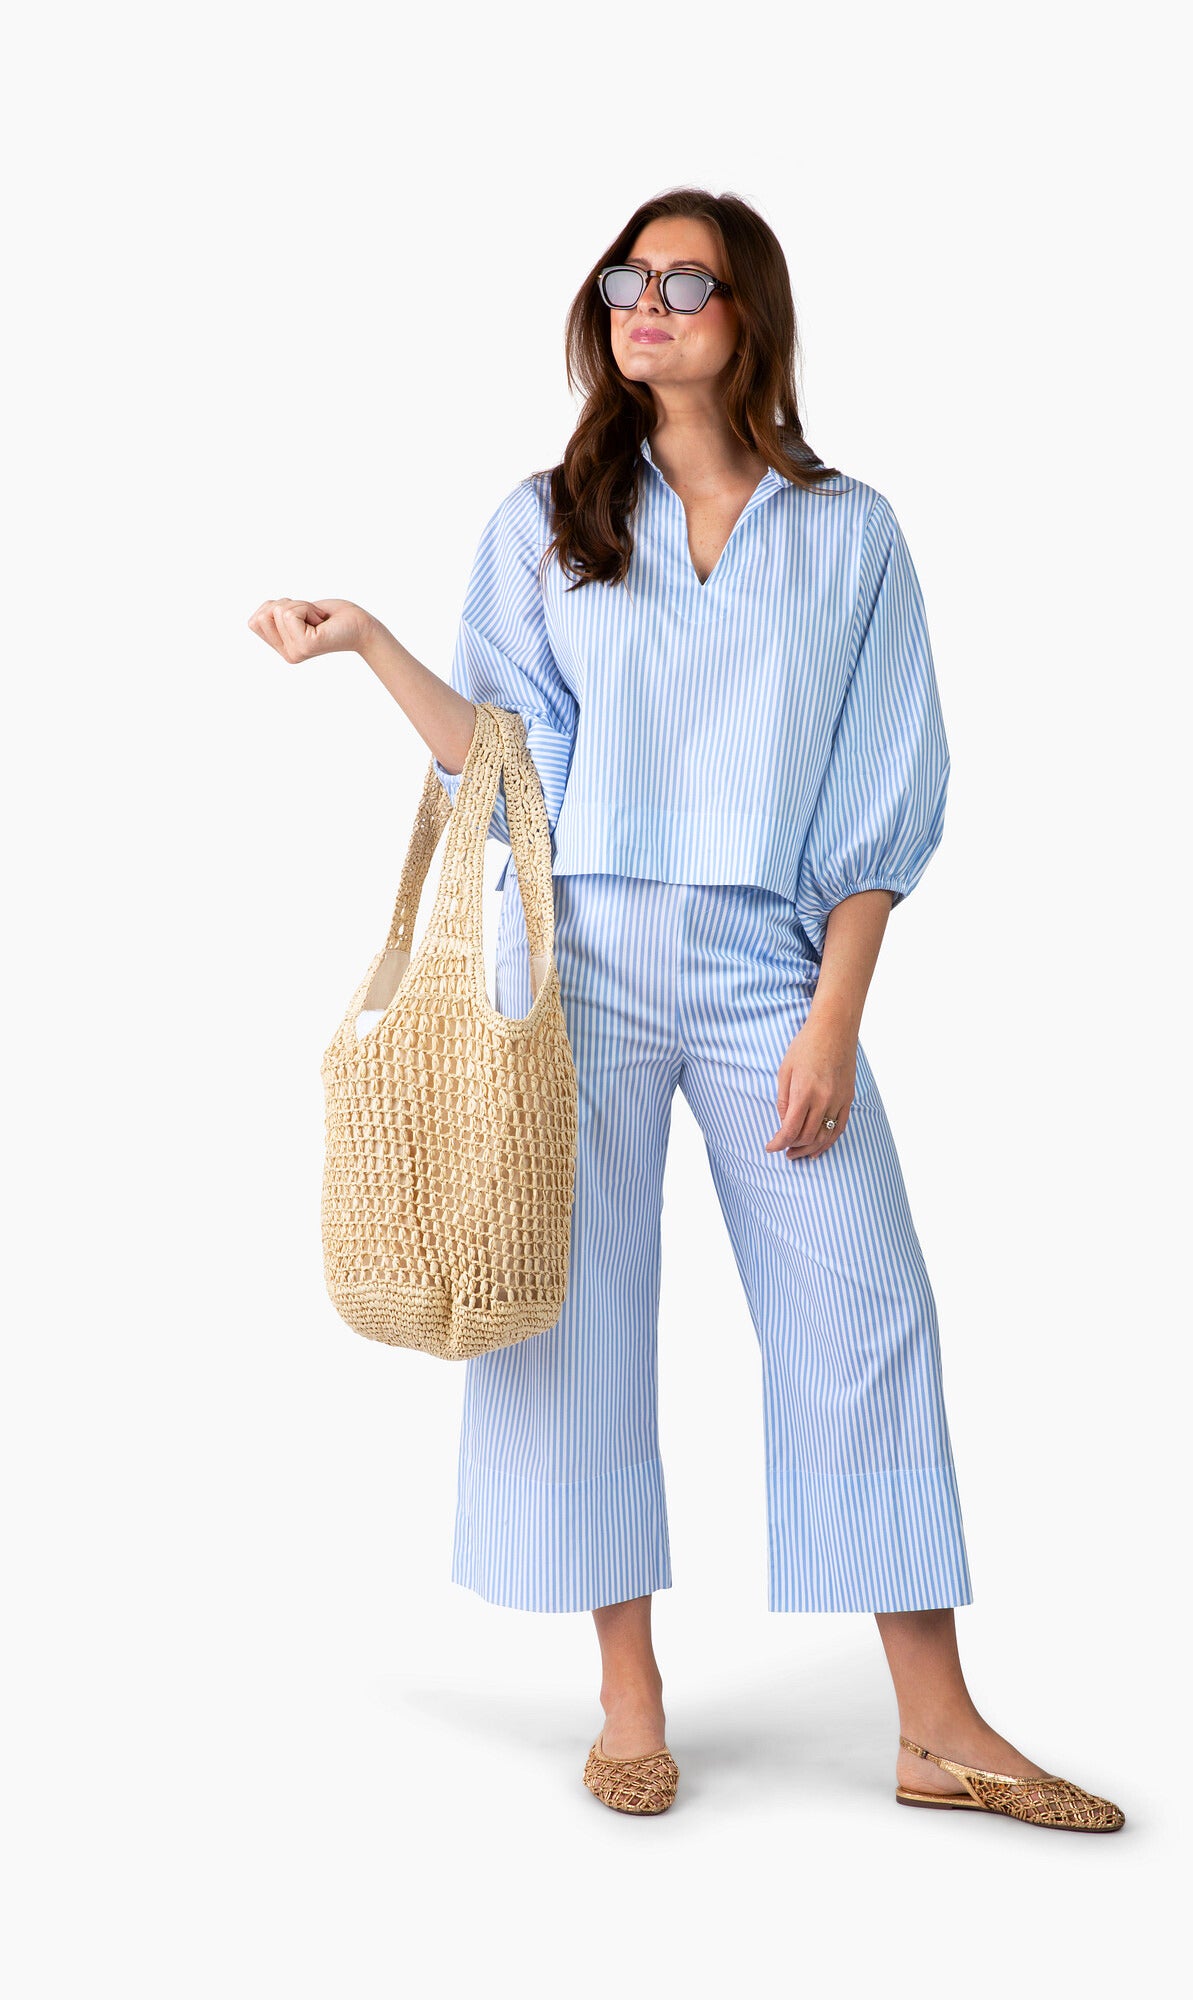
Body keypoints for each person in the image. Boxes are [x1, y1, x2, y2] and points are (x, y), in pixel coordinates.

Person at [248, 187, 1123, 1833]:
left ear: (748, 316)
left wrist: (831, 1017)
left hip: (764, 969)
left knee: (864, 1311)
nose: (642, 304)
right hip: (571, 962)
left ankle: (934, 1726)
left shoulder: (849, 532)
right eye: (622, 280)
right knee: (576, 1318)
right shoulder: (548, 519)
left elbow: (883, 790)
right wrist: (368, 643)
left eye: (683, 282)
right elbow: (507, 764)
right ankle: (628, 1699)